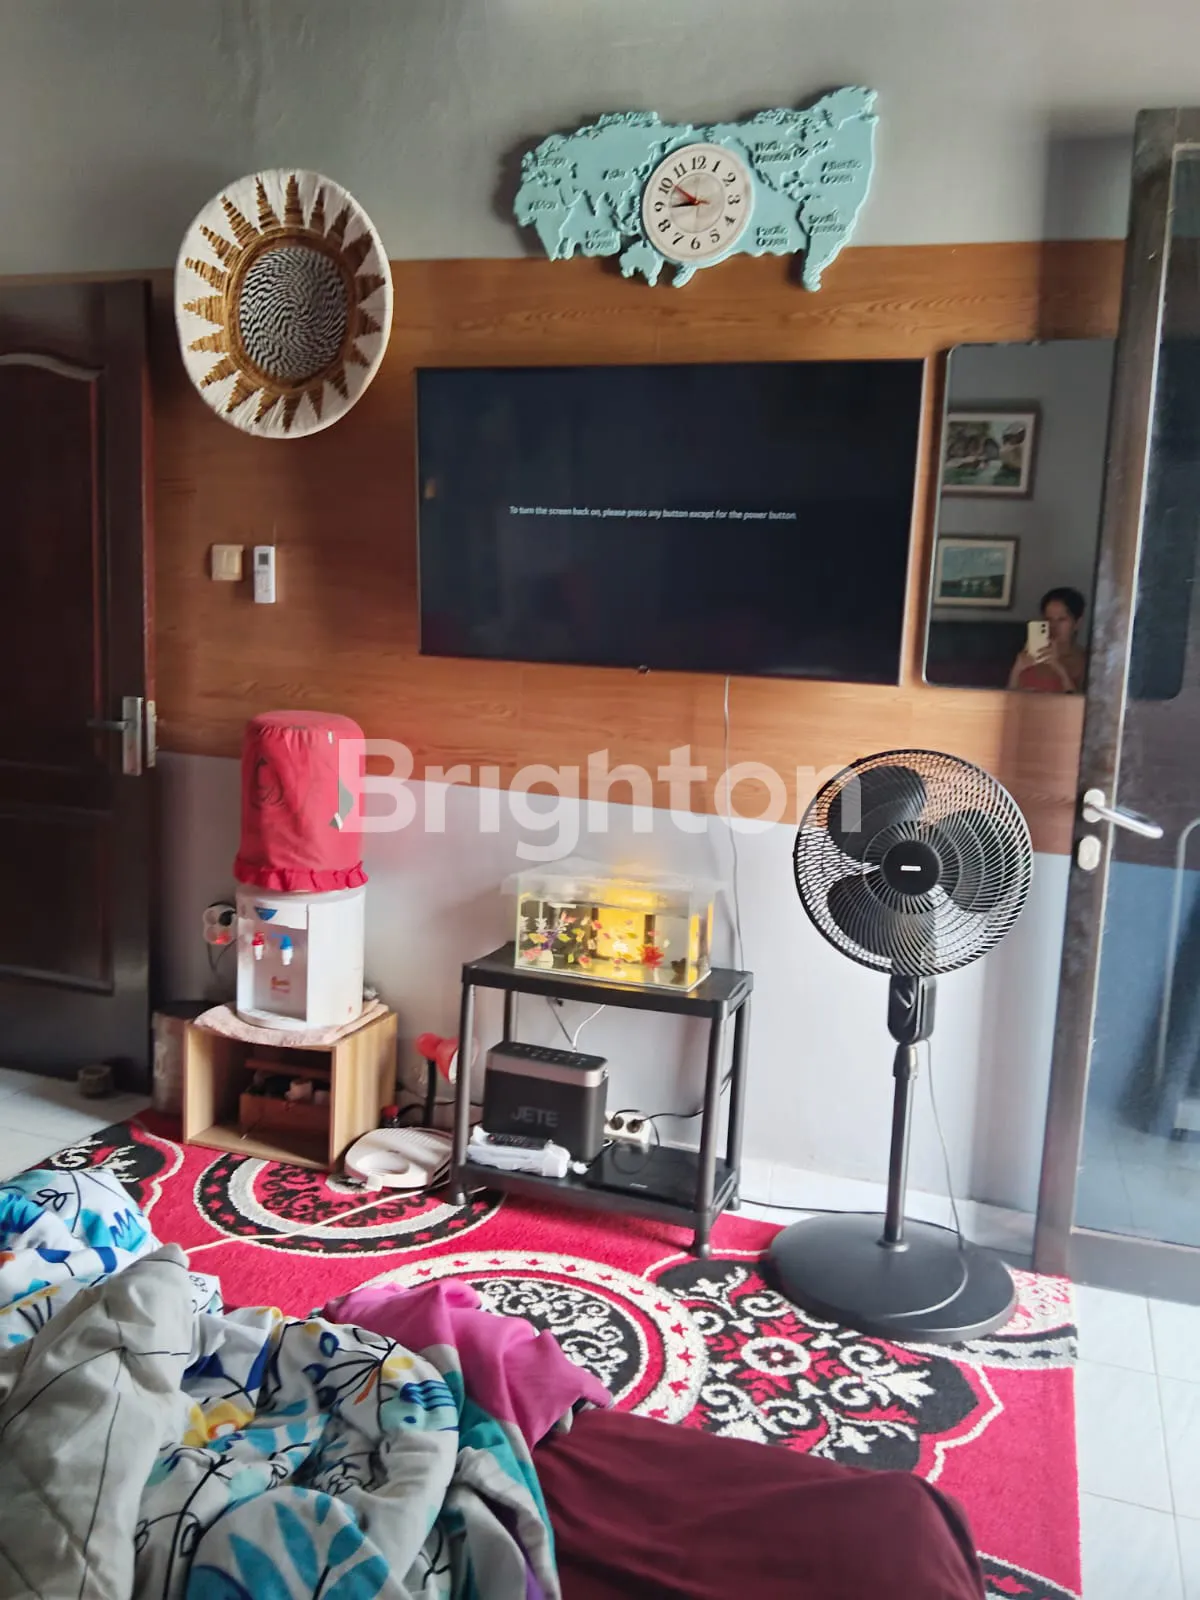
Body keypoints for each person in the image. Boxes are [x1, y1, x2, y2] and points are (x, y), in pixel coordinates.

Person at [1008, 586, 1088, 692]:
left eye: (1061, 620)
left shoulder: (1085, 661)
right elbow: (1009, 697)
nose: (1053, 626)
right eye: (1048, 619)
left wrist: (1059, 668)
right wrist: (1017, 670)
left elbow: (1080, 700)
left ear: (1077, 623)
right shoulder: (1027, 655)